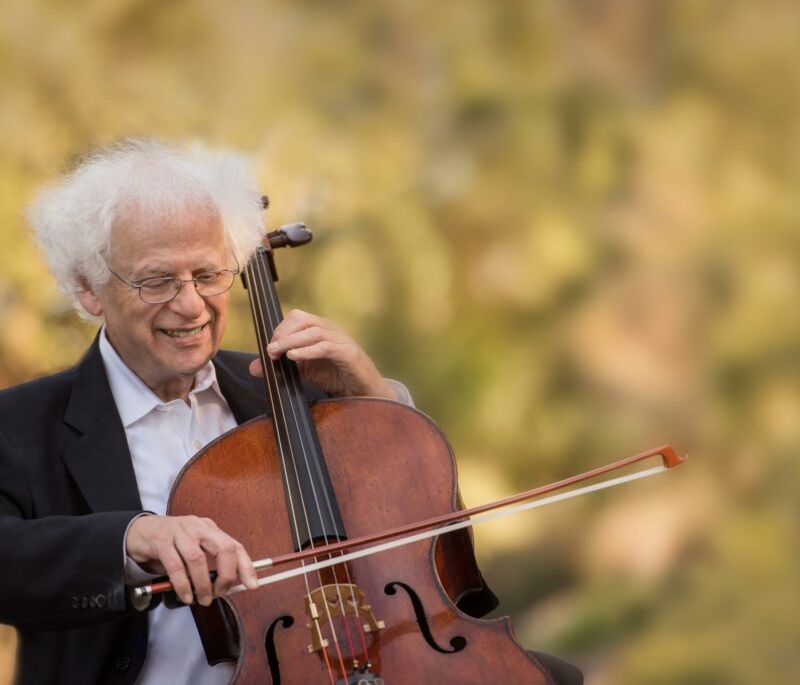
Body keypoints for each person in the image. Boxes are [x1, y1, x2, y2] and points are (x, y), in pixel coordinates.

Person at [0, 138, 581, 684]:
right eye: (157, 281)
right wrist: (129, 538)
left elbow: (436, 561)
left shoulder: (297, 394)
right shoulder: (21, 427)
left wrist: (375, 403)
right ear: (88, 288)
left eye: (208, 273)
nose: (190, 304)